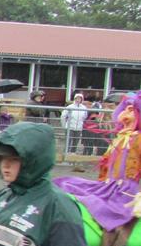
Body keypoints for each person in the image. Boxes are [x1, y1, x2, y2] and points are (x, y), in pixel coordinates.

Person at [54, 93, 141, 233]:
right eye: (126, 109)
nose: (126, 115)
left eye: (131, 111)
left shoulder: (138, 140)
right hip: (109, 185)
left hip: (127, 191)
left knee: (112, 216)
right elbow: (107, 165)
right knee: (68, 184)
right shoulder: (120, 138)